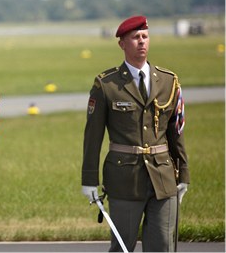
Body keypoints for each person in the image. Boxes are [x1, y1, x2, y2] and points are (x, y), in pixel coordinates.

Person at [81, 16, 190, 252]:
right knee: (122, 247)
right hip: (124, 180)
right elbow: (93, 136)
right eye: (135, 38)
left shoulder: (168, 82)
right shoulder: (106, 85)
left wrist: (184, 174)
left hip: (163, 178)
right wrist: (89, 180)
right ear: (122, 44)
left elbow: (176, 133)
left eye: (145, 37)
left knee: (162, 246)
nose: (141, 42)